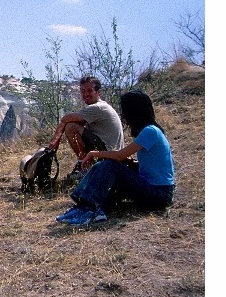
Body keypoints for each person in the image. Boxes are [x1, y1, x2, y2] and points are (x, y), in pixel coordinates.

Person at [56, 90, 175, 226]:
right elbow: (152, 164)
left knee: (110, 165)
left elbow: (120, 155)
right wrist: (128, 162)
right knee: (103, 165)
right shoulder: (150, 130)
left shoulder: (150, 131)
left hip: (159, 194)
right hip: (157, 191)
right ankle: (84, 205)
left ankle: (89, 209)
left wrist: (94, 153)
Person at [47, 76, 124, 179]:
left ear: (98, 92)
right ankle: (86, 164)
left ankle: (84, 166)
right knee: (75, 124)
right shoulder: (100, 107)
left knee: (70, 127)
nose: (86, 94)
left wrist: (55, 141)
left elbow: (65, 119)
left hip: (109, 153)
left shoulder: (97, 107)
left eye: (89, 91)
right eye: (83, 91)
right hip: (112, 152)